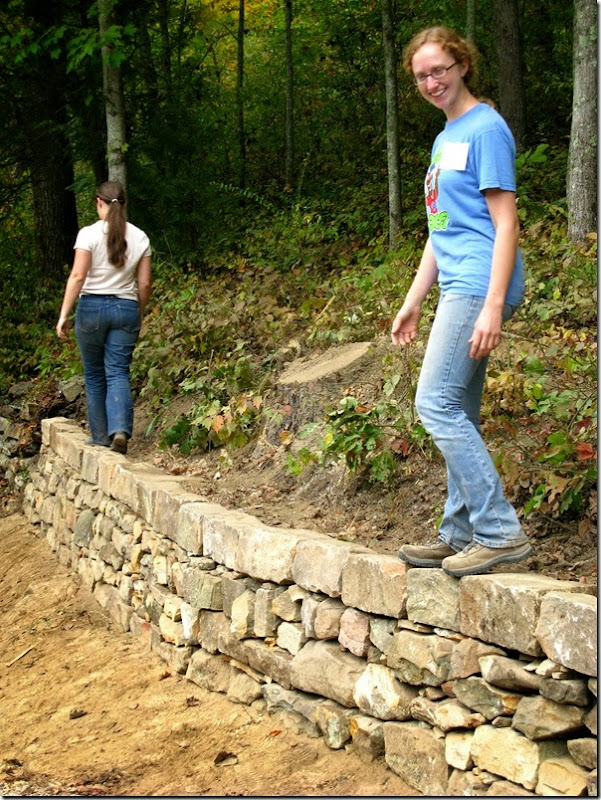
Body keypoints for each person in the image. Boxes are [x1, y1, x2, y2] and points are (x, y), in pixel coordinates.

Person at [392, 26, 532, 577]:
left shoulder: (486, 129)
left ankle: (500, 532)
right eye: (422, 75)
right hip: (456, 282)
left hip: (480, 283)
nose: (432, 81)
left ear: (462, 65)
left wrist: (494, 303)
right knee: (459, 407)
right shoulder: (445, 137)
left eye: (439, 70)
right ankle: (461, 532)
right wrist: (412, 301)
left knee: (435, 404)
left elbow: (505, 220)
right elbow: (440, 229)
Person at [56, 181, 152, 455]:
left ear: (99, 202)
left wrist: (64, 315)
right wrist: (139, 311)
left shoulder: (88, 235)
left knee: (95, 374)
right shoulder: (141, 238)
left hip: (91, 310)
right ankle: (120, 431)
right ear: (124, 205)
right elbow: (144, 285)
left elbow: (78, 276)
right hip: (126, 309)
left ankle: (100, 436)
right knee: (119, 371)